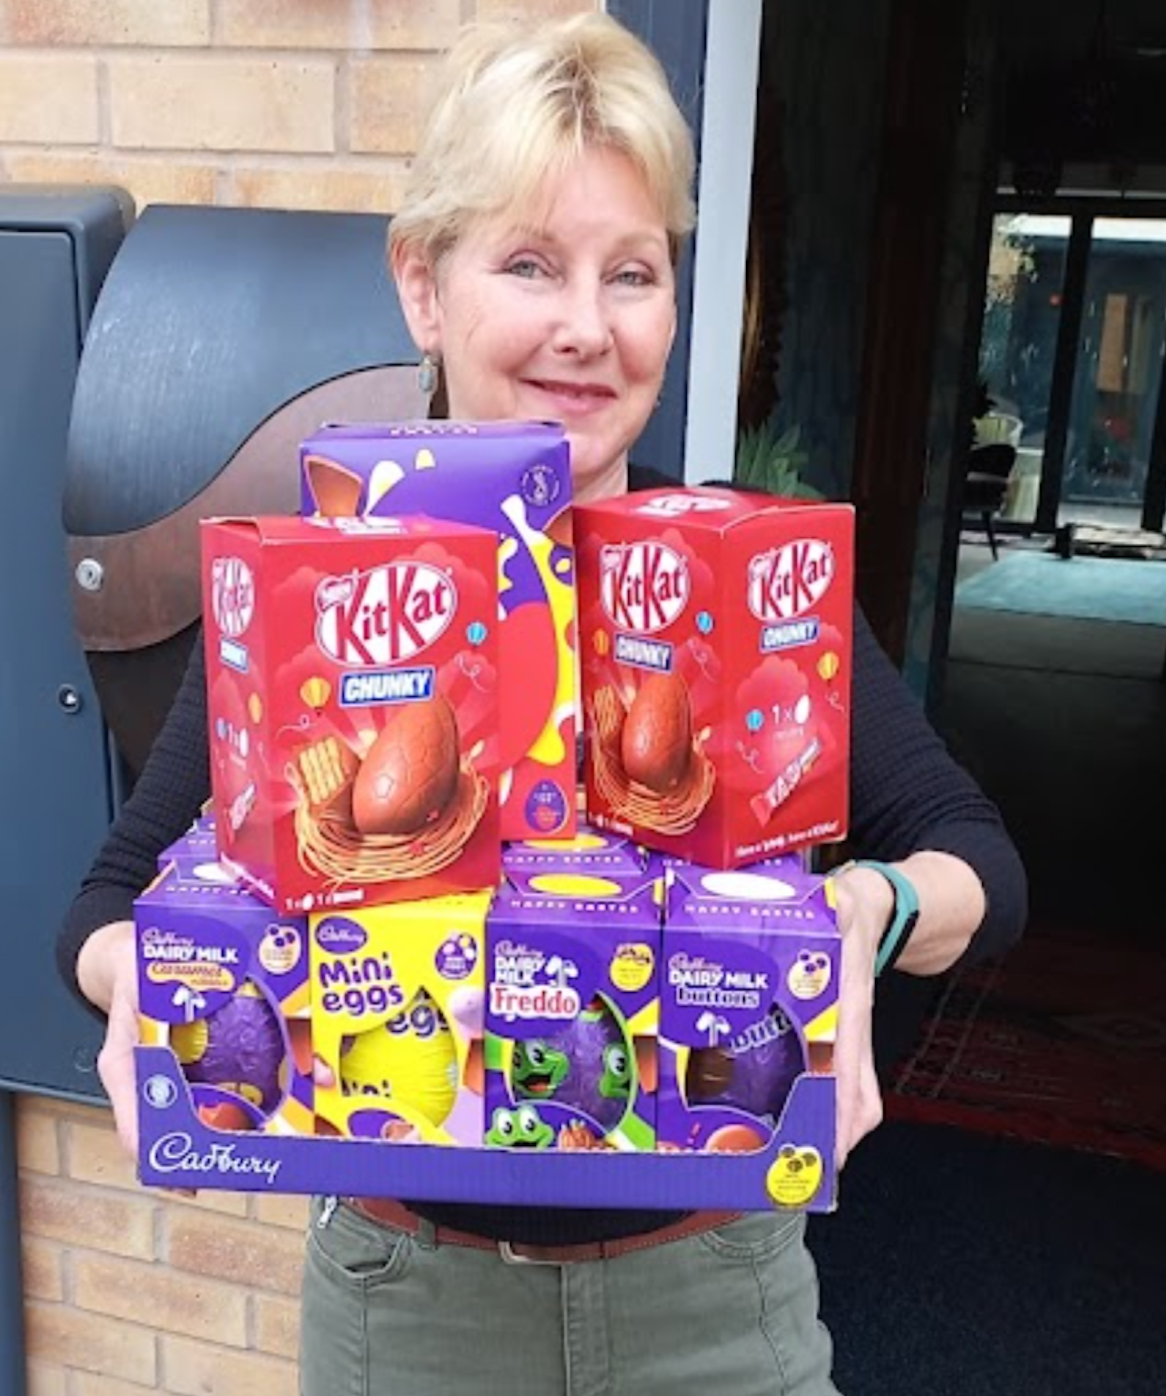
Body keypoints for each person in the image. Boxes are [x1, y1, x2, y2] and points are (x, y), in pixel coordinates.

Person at [58, 13, 1027, 1395]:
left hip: (714, 1298)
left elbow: (978, 860)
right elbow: (102, 908)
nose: (586, 328)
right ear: (422, 284)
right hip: (409, 1305)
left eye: (631, 273)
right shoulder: (321, 600)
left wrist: (868, 912)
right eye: (528, 264)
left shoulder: (741, 585)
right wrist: (152, 984)